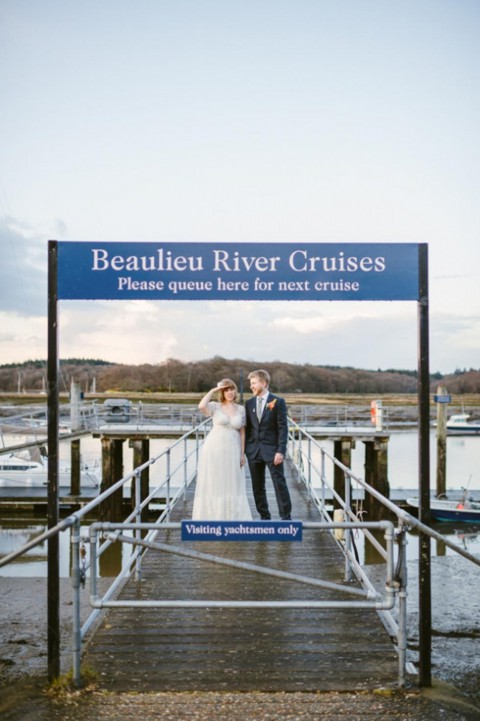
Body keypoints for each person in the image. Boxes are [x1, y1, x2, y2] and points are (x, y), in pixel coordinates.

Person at [192, 378, 252, 520]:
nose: (230, 392)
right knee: (215, 480)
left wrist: (242, 454)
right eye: (226, 390)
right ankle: (213, 516)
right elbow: (201, 406)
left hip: (233, 448)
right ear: (221, 392)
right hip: (214, 447)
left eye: (232, 389)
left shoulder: (241, 409)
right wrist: (213, 390)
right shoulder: (215, 406)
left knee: (233, 481)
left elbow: (242, 432)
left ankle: (231, 517)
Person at [244, 369, 292, 520]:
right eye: (250, 383)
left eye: (253, 383)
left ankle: (286, 518)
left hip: (272, 451)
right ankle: (264, 517)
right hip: (254, 452)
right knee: (257, 487)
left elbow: (283, 429)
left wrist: (281, 451)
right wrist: (246, 449)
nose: (251, 386)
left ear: (263, 383)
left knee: (279, 484)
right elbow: (248, 428)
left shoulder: (278, 402)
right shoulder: (249, 403)